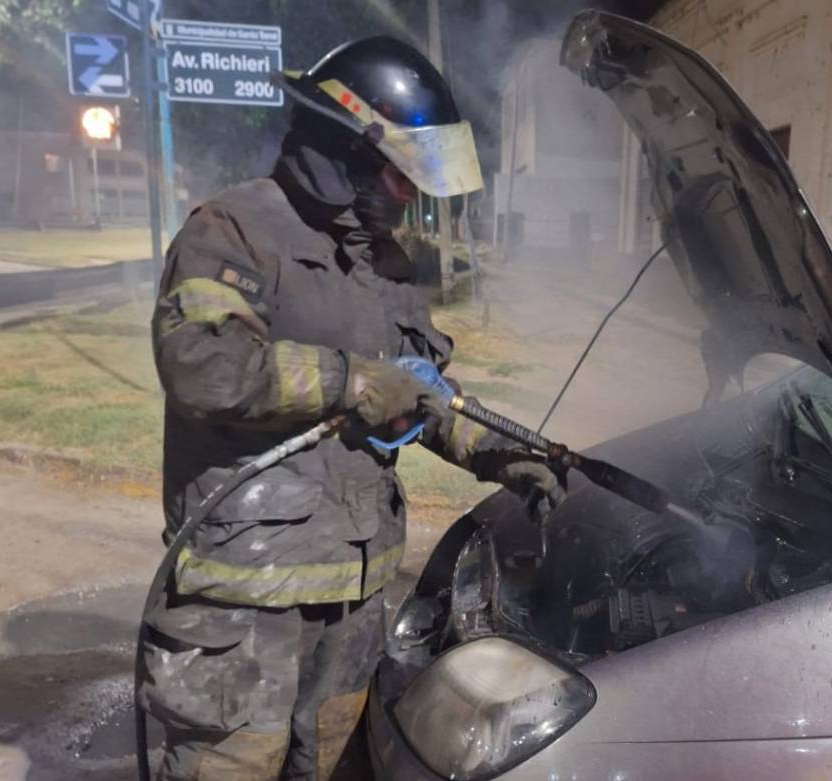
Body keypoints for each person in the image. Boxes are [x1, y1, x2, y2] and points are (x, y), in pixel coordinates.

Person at [141, 36, 564, 780]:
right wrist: (349, 381)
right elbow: (204, 365)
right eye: (400, 175)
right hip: (244, 611)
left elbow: (419, 392)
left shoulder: (383, 264)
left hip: (353, 604)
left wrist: (505, 451)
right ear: (345, 146)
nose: (406, 195)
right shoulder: (233, 230)